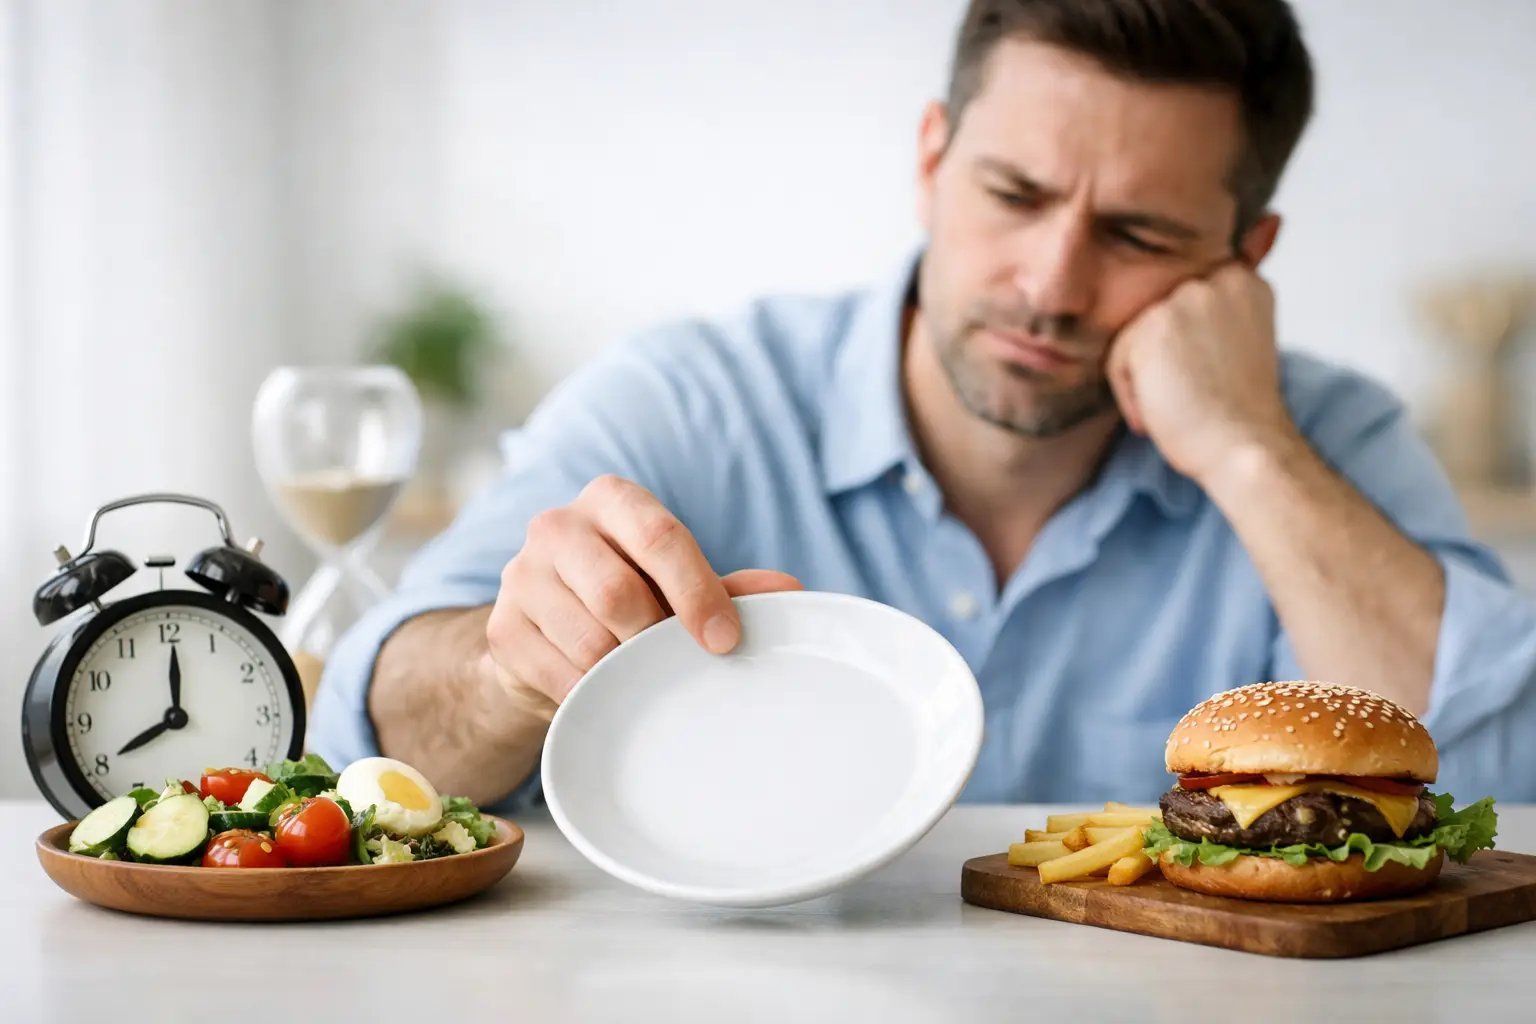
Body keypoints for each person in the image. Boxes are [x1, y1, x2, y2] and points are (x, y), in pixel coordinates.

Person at [310, 0, 1536, 807]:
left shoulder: (1327, 441)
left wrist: (1249, 449)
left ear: (1244, 255)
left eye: (1138, 232)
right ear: (931, 160)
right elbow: (373, 741)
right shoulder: (687, 400)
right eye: (1012, 193)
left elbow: (1498, 788)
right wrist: (510, 672)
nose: (1050, 284)